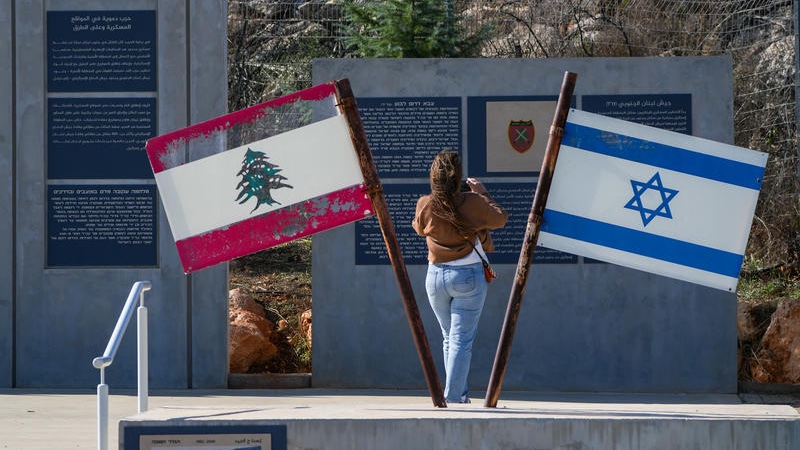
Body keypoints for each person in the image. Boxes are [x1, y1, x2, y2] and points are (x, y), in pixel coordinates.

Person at [412, 149, 508, 404]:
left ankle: (458, 395)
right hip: (468, 277)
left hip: (435, 278)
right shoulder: (474, 202)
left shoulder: (425, 203)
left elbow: (419, 228)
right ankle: (454, 397)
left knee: (449, 337)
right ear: (458, 178)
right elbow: (500, 219)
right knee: (460, 340)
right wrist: (482, 193)